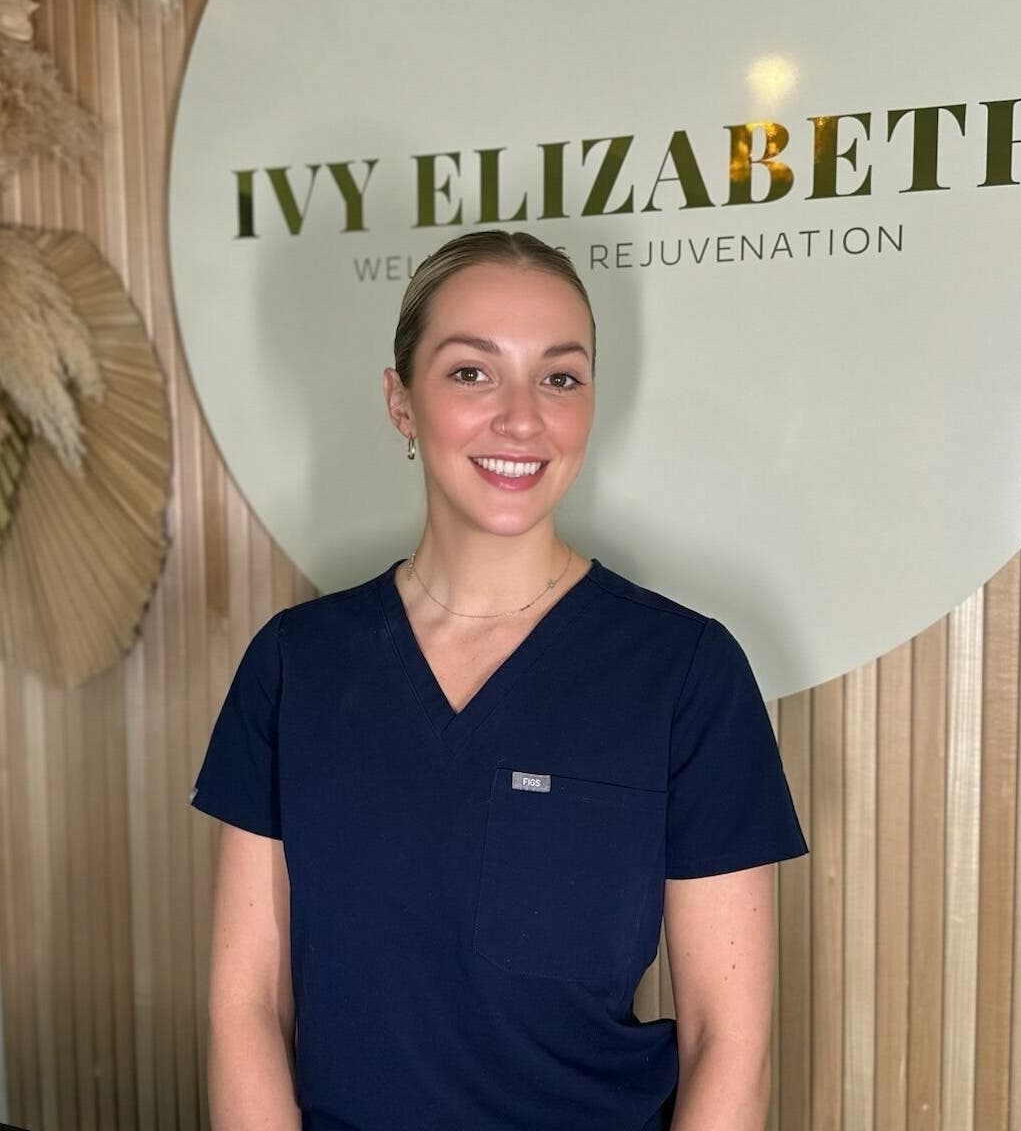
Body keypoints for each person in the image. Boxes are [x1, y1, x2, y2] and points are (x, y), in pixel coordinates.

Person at [193, 229, 808, 1129]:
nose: (522, 419)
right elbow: (245, 1005)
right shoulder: (295, 666)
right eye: (472, 373)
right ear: (401, 402)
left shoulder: (686, 675)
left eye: (560, 378)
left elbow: (729, 1044)